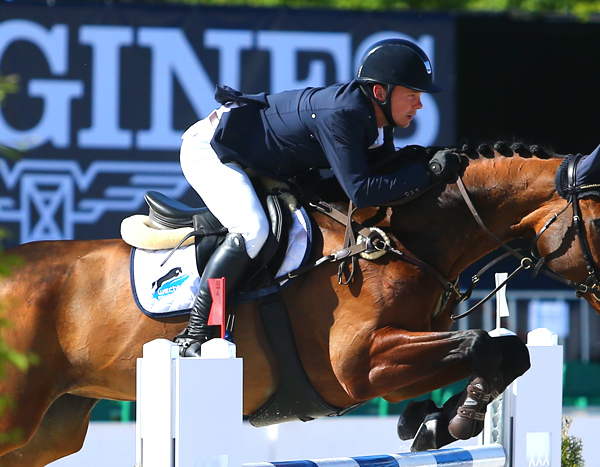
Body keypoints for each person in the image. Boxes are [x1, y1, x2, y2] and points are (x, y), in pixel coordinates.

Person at [175, 38, 462, 357]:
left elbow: (386, 173)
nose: (419, 105)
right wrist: (429, 173)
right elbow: (362, 191)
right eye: (412, 95)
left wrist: (431, 162)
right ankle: (197, 330)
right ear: (380, 92)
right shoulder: (344, 114)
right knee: (252, 231)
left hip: (261, 156)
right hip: (212, 148)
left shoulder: (376, 120)